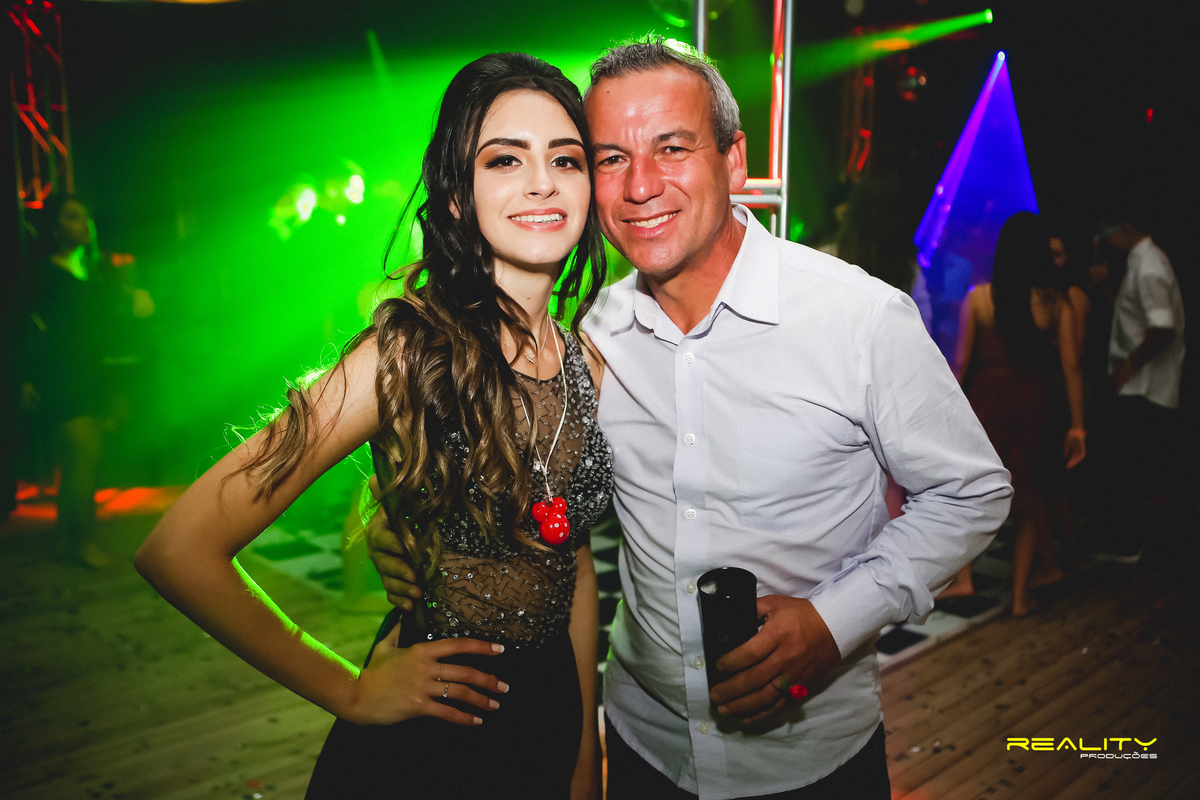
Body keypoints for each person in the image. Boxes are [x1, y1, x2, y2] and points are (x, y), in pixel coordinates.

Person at [369, 38, 1012, 800]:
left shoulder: (859, 318)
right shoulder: (591, 338)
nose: (641, 185)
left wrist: (831, 623)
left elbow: (973, 492)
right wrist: (407, 531)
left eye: (671, 148)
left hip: (810, 762)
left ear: (735, 162)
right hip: (645, 747)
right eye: (610, 158)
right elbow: (524, 486)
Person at [136, 53, 611, 799]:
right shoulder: (405, 354)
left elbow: (571, 564)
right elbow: (180, 549)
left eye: (565, 159)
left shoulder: (587, 361)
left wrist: (584, 748)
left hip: (550, 715)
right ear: (456, 197)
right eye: (504, 159)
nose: (542, 182)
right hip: (437, 738)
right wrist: (350, 690)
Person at [952, 212, 1086, 616]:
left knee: (971, 492)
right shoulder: (1055, 303)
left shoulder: (979, 298)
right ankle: (1020, 597)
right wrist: (1078, 426)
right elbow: (1071, 365)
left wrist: (945, 414)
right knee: (1027, 499)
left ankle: (963, 578)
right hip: (1034, 401)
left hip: (988, 398)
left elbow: (960, 364)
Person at [21, 195, 154, 568]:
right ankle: (83, 544)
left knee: (82, 462)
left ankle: (67, 542)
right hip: (59, 374)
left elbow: (104, 327)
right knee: (84, 456)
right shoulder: (45, 273)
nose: (83, 224)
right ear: (55, 227)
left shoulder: (94, 273)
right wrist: (25, 377)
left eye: (85, 217)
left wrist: (132, 297)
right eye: (72, 217)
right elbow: (23, 324)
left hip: (91, 373)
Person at [1095, 216, 1185, 562]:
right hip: (1140, 385)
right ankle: (1134, 543)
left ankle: (1133, 546)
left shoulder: (1149, 266)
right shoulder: (1140, 262)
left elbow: (1163, 329)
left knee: (1135, 470)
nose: (1102, 238)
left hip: (1147, 386)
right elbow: (1131, 318)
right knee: (1135, 468)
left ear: (1124, 227)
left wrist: (1128, 366)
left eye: (1105, 230)